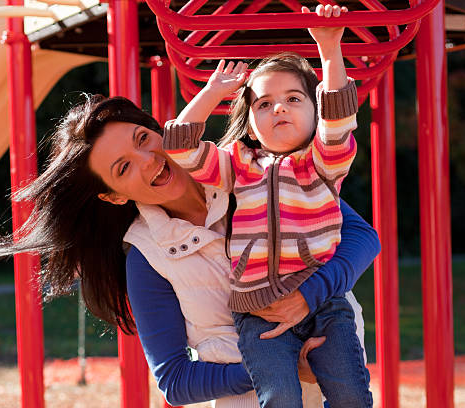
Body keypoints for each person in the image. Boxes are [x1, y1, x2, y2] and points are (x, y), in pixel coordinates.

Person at [0, 98, 380, 405]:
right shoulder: (147, 258)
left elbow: (363, 237)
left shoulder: (247, 168)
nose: (148, 161)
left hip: (339, 385)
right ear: (112, 196)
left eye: (143, 139)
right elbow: (174, 381)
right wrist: (279, 364)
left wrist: (307, 298)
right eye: (123, 168)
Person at [164, 5, 373, 407]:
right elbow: (181, 147)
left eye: (294, 99)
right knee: (279, 397)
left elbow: (340, 118)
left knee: (350, 394)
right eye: (264, 104)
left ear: (315, 114)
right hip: (257, 307)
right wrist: (212, 93)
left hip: (325, 304)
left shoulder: (323, 162)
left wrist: (329, 48)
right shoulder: (238, 165)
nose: (279, 108)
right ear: (250, 123)